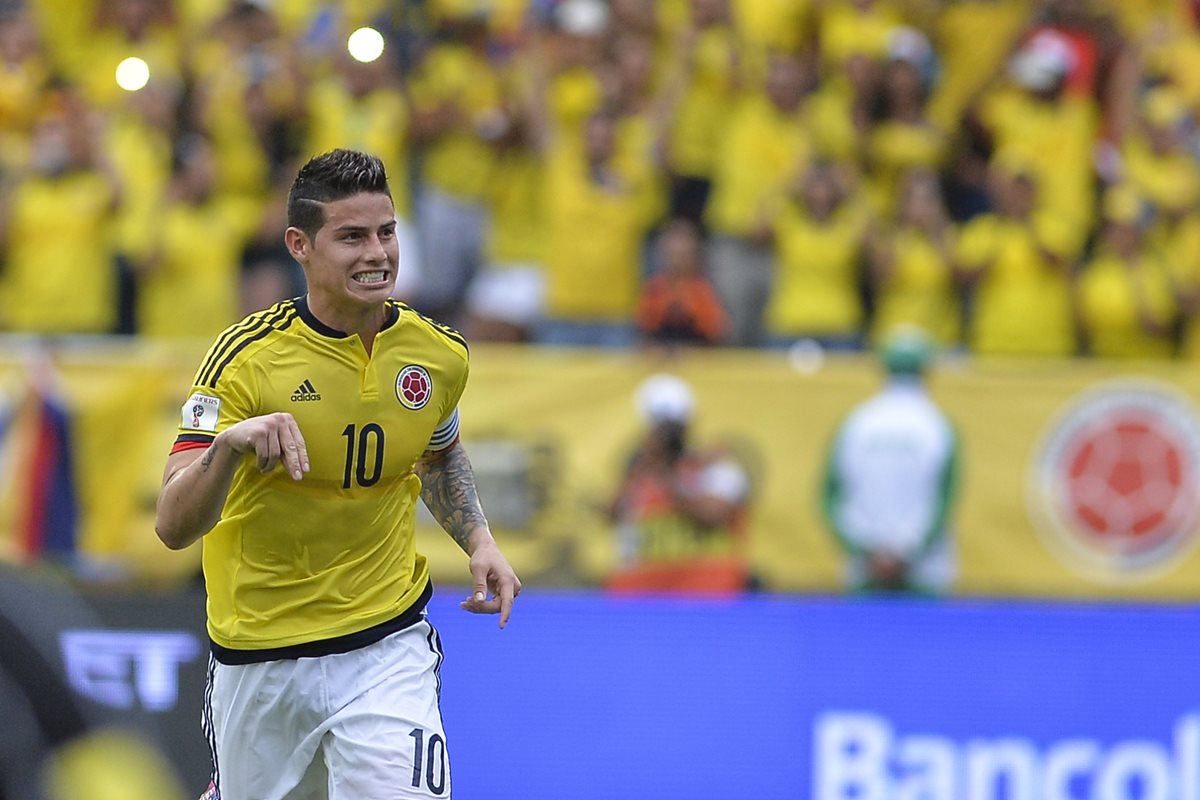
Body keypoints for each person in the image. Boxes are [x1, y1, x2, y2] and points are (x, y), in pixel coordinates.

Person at [154, 149, 521, 800]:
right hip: (260, 656)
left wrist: (480, 539)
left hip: (386, 643)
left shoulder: (439, 354)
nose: (377, 254)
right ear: (300, 245)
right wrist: (230, 448)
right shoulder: (243, 359)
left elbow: (438, 452)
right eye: (352, 236)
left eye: (386, 232)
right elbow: (173, 524)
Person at [820, 327, 960, 594]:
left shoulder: (856, 422)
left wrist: (865, 552)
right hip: (925, 574)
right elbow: (946, 498)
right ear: (926, 370)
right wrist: (907, 552)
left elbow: (830, 497)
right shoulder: (939, 425)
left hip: (865, 573)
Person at [605, 374, 753, 594]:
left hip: (706, 597)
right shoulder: (641, 470)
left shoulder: (717, 469)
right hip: (641, 598)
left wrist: (667, 476)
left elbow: (712, 515)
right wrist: (636, 471)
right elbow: (612, 516)